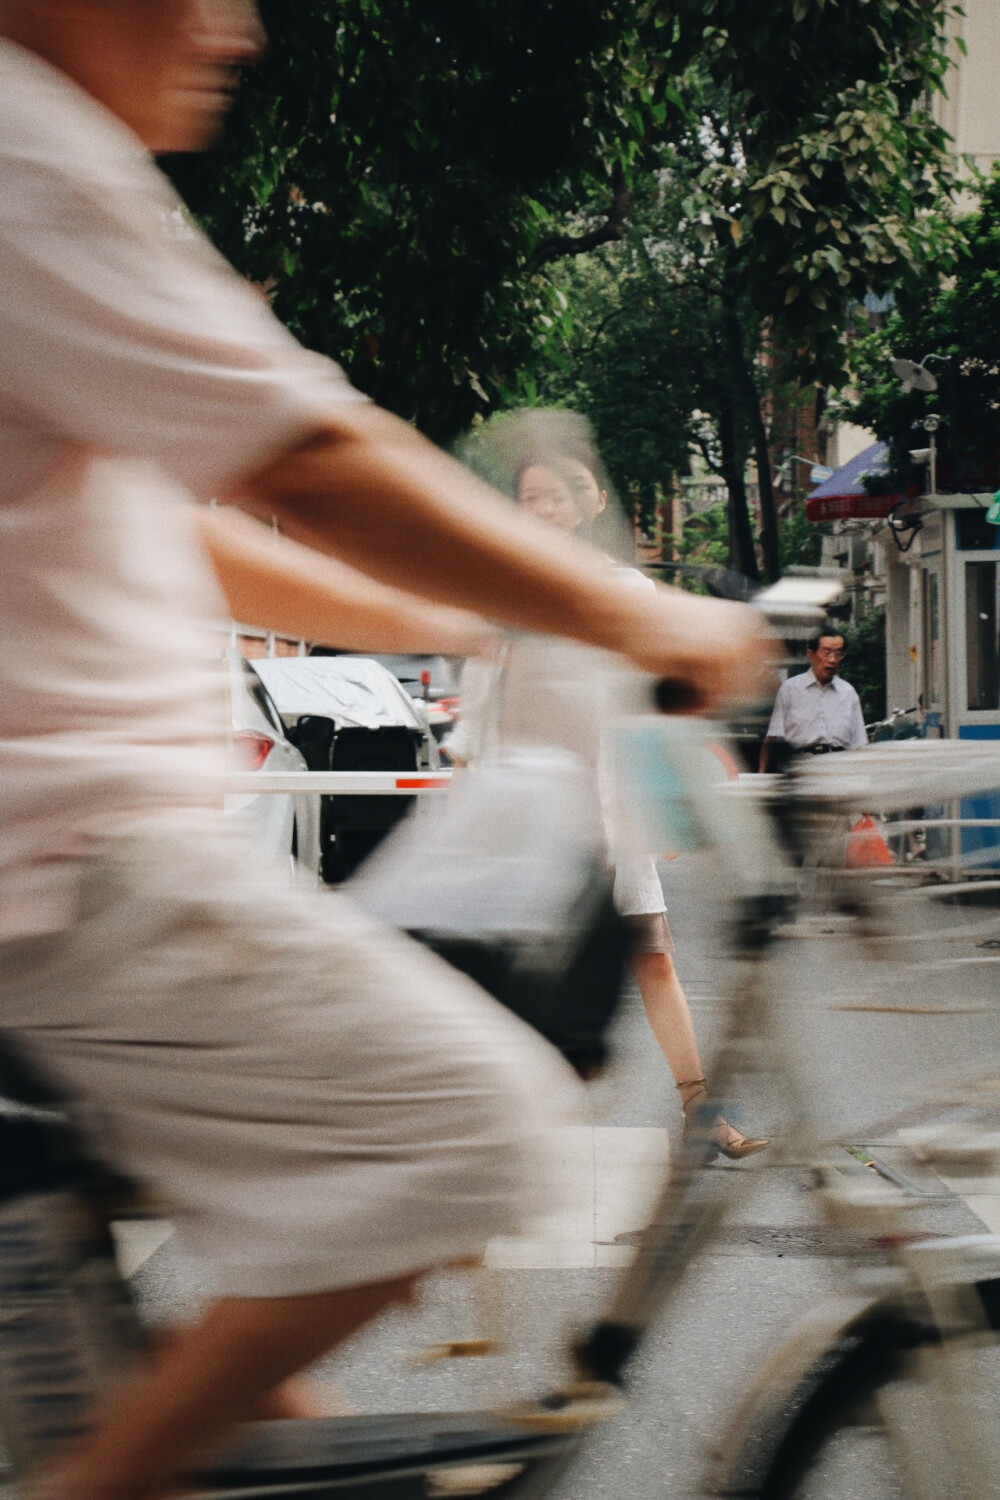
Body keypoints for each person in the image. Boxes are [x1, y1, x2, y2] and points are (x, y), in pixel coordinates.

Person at [0, 5, 772, 1498]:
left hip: (108, 849)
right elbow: (304, 457)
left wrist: (447, 621)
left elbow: (185, 524)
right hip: (77, 866)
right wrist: (640, 613)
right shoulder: (33, 155)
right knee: (470, 1126)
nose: (237, 26)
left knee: (263, 1365)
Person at [446, 455, 767, 1160]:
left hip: (613, 814)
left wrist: (669, 808)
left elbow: (654, 706)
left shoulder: (625, 589)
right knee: (513, 973)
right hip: (532, 817)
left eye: (557, 497)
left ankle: (701, 1112)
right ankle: (491, 1129)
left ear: (590, 503)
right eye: (530, 497)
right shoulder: (506, 590)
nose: (544, 509)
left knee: (654, 960)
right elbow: (476, 703)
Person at [759, 627, 867, 771]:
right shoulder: (790, 689)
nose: (833, 660)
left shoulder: (848, 692)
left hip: (839, 770)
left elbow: (859, 745)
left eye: (838, 654)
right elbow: (773, 738)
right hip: (800, 770)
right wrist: (762, 776)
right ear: (811, 655)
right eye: (826, 653)